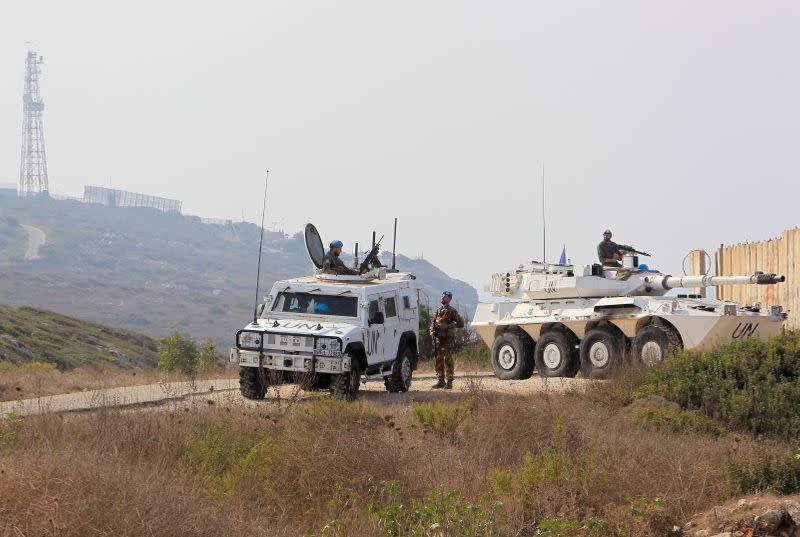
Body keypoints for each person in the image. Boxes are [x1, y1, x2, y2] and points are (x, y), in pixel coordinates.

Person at [430, 291, 465, 390]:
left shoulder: (452, 311)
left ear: (449, 299)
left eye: (445, 297)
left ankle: (449, 382)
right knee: (438, 360)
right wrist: (432, 331)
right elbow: (433, 323)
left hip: (448, 340)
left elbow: (461, 324)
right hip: (439, 340)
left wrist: (448, 326)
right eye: (442, 296)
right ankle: (440, 381)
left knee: (448, 359)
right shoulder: (438, 310)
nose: (442, 298)